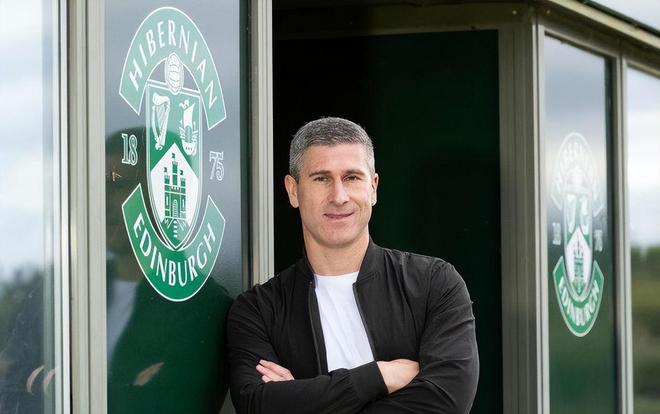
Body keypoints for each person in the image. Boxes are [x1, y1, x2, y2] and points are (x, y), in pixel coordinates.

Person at [226, 117, 478, 413]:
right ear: (293, 191)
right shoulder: (259, 310)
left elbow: (448, 401)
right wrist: (380, 375)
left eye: (352, 178)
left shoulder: (434, 284)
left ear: (373, 187)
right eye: (321, 178)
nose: (339, 196)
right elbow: (257, 404)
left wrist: (304, 398)